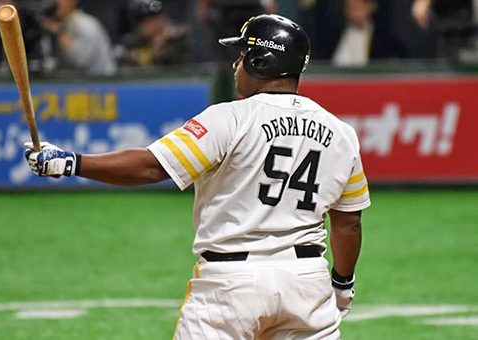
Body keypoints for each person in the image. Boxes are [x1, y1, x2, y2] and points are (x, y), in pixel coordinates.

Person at [24, 14, 370, 339]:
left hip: (231, 285)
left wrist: (70, 162)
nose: (236, 65)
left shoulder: (229, 118)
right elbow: (347, 223)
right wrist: (341, 283)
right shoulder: (341, 133)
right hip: (307, 282)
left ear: (259, 63)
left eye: (242, 55)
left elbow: (152, 165)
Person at [39, 0, 116, 76]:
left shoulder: (86, 24)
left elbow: (81, 61)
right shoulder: (65, 23)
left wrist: (60, 32)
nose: (56, 3)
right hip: (80, 83)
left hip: (102, 83)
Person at [118, 0, 193, 67]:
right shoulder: (133, 42)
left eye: (146, 20)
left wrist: (160, 49)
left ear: (161, 18)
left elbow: (183, 71)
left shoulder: (179, 39)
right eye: (139, 21)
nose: (141, 25)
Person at [332, 0, 405, 67]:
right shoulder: (333, 36)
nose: (353, 12)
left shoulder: (385, 40)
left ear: (370, 7)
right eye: (349, 7)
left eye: (357, 7)